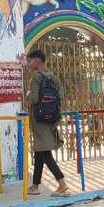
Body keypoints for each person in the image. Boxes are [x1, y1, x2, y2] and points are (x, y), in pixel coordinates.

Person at [25, 49, 69, 197]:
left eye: (30, 61)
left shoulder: (36, 78)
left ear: (37, 61)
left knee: (45, 153)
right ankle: (35, 185)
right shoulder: (53, 77)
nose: (28, 63)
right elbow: (61, 95)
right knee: (39, 152)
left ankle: (62, 183)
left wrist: (28, 96)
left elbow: (35, 100)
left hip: (39, 120)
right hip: (51, 119)